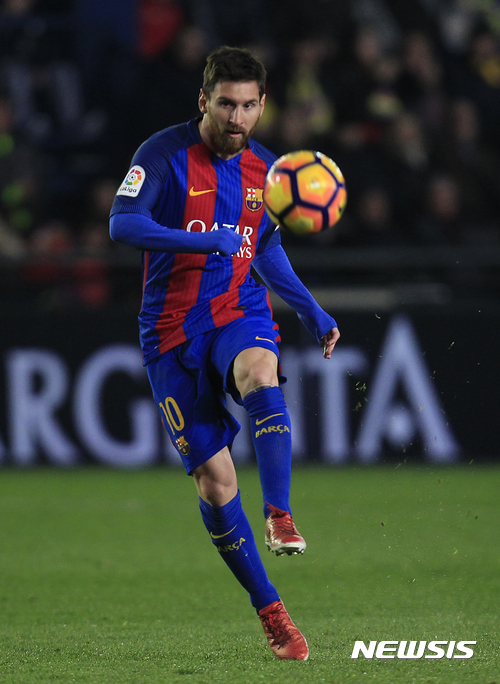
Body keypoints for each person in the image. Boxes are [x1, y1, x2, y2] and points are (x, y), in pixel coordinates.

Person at [109, 46, 340, 661]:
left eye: (248, 106)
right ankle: (271, 611)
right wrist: (200, 239)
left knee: (260, 371)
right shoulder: (162, 155)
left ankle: (280, 513)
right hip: (170, 332)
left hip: (238, 310)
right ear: (204, 101)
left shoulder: (268, 171)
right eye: (225, 105)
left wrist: (311, 310)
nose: (236, 119)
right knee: (215, 484)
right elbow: (122, 224)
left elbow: (264, 248)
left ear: (263, 106)